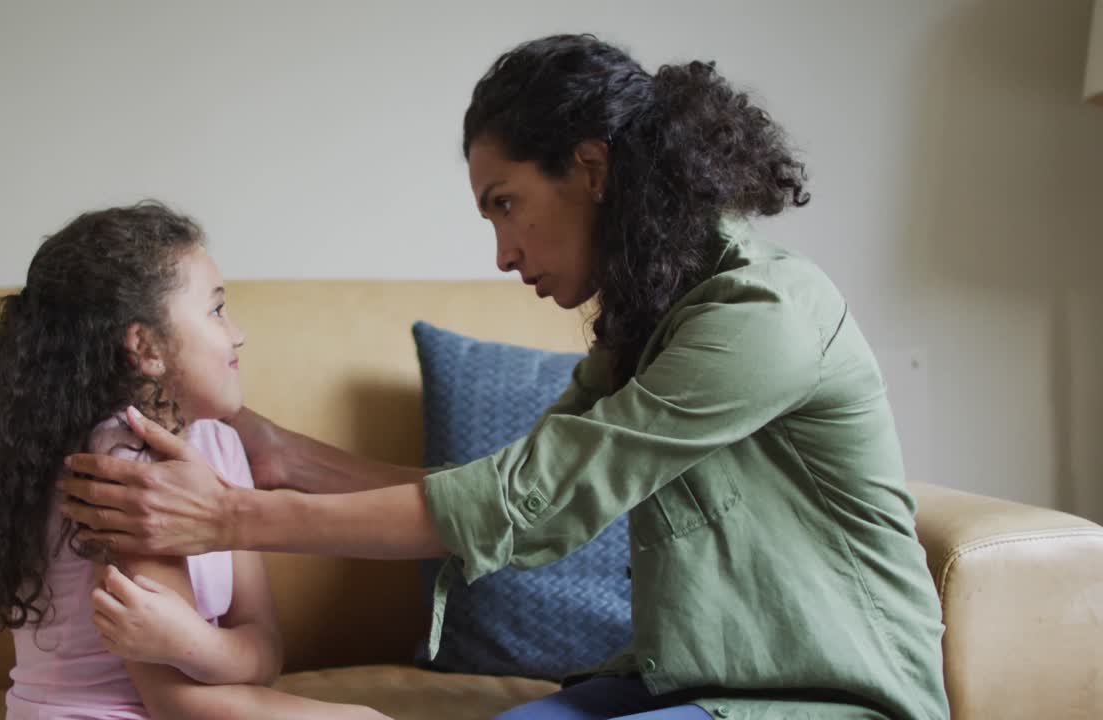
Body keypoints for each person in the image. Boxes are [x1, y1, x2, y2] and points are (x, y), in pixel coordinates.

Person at [61, 36, 950, 720]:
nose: (501, 253)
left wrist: (232, 515)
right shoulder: (644, 323)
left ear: (592, 170)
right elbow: (512, 489)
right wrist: (285, 458)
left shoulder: (762, 318)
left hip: (824, 696)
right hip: (692, 681)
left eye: (506, 204)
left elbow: (529, 502)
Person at [0, 202, 389, 720]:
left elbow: (265, 652)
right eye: (216, 310)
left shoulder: (218, 443)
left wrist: (194, 642)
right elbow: (179, 702)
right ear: (146, 348)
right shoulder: (123, 465)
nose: (237, 332)